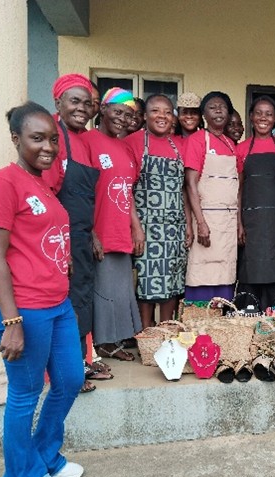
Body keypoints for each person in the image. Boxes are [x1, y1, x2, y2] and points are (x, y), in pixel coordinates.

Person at [0, 102, 85, 477]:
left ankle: (43, 455)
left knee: (71, 380)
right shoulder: (2, 183)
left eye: (52, 139)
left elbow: (42, 237)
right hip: (24, 309)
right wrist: (11, 322)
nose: (48, 147)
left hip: (57, 303)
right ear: (16, 139)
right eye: (37, 138)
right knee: (24, 394)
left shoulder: (42, 184)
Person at [44, 73, 111, 393]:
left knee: (81, 301)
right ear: (58, 103)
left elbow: (84, 197)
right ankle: (61, 372)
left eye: (87, 103)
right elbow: (48, 195)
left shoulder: (84, 140)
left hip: (82, 234)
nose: (82, 108)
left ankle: (79, 363)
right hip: (59, 238)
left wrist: (93, 233)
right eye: (74, 101)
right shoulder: (53, 138)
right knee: (63, 303)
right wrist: (64, 243)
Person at [82, 87, 143, 362]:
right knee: (103, 288)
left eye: (128, 115)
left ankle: (113, 339)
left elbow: (126, 192)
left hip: (120, 228)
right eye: (117, 112)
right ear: (102, 110)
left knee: (119, 287)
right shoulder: (88, 141)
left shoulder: (126, 147)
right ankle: (103, 342)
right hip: (99, 228)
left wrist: (136, 226)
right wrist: (91, 231)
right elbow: (80, 191)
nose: (122, 118)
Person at [125, 94, 191, 326]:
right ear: (144, 115)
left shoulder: (180, 144)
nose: (161, 116)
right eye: (155, 111)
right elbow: (127, 190)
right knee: (146, 282)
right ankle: (146, 334)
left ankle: (165, 333)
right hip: (147, 226)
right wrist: (136, 227)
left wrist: (189, 226)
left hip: (174, 227)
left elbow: (184, 189)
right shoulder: (132, 142)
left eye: (167, 111)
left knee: (172, 281)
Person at [235, 95, 275, 310]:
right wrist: (239, 223)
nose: (263, 118)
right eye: (258, 113)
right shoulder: (242, 148)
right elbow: (239, 189)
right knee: (252, 269)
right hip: (252, 222)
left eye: (269, 114)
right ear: (251, 116)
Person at [184, 91, 239, 301]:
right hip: (206, 218)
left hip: (227, 222)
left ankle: (220, 331)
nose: (218, 110)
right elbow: (190, 184)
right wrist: (200, 223)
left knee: (224, 277)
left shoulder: (230, 144)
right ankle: (200, 329)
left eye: (223, 107)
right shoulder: (198, 140)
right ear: (204, 115)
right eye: (212, 107)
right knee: (202, 276)